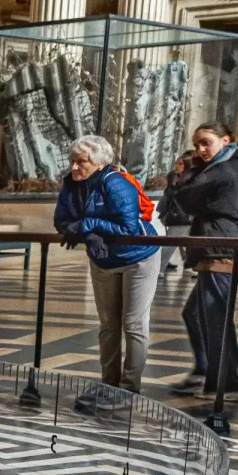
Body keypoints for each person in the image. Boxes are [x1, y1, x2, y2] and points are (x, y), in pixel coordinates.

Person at [53, 135, 160, 412]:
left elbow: (129, 229)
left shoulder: (116, 183)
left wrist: (88, 225)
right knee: (108, 325)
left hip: (138, 258)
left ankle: (129, 387)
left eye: (82, 162)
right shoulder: (70, 185)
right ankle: (109, 383)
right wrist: (90, 235)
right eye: (72, 161)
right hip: (103, 260)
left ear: (99, 163)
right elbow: (61, 221)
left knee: (134, 324)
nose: (74, 167)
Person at [169, 123, 238, 403]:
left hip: (224, 249)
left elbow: (184, 197)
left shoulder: (223, 171)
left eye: (205, 143)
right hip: (227, 246)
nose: (200, 150)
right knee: (195, 313)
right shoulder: (237, 167)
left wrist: (193, 167)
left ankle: (226, 385)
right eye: (196, 145)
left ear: (225, 140)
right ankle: (205, 371)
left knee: (215, 318)